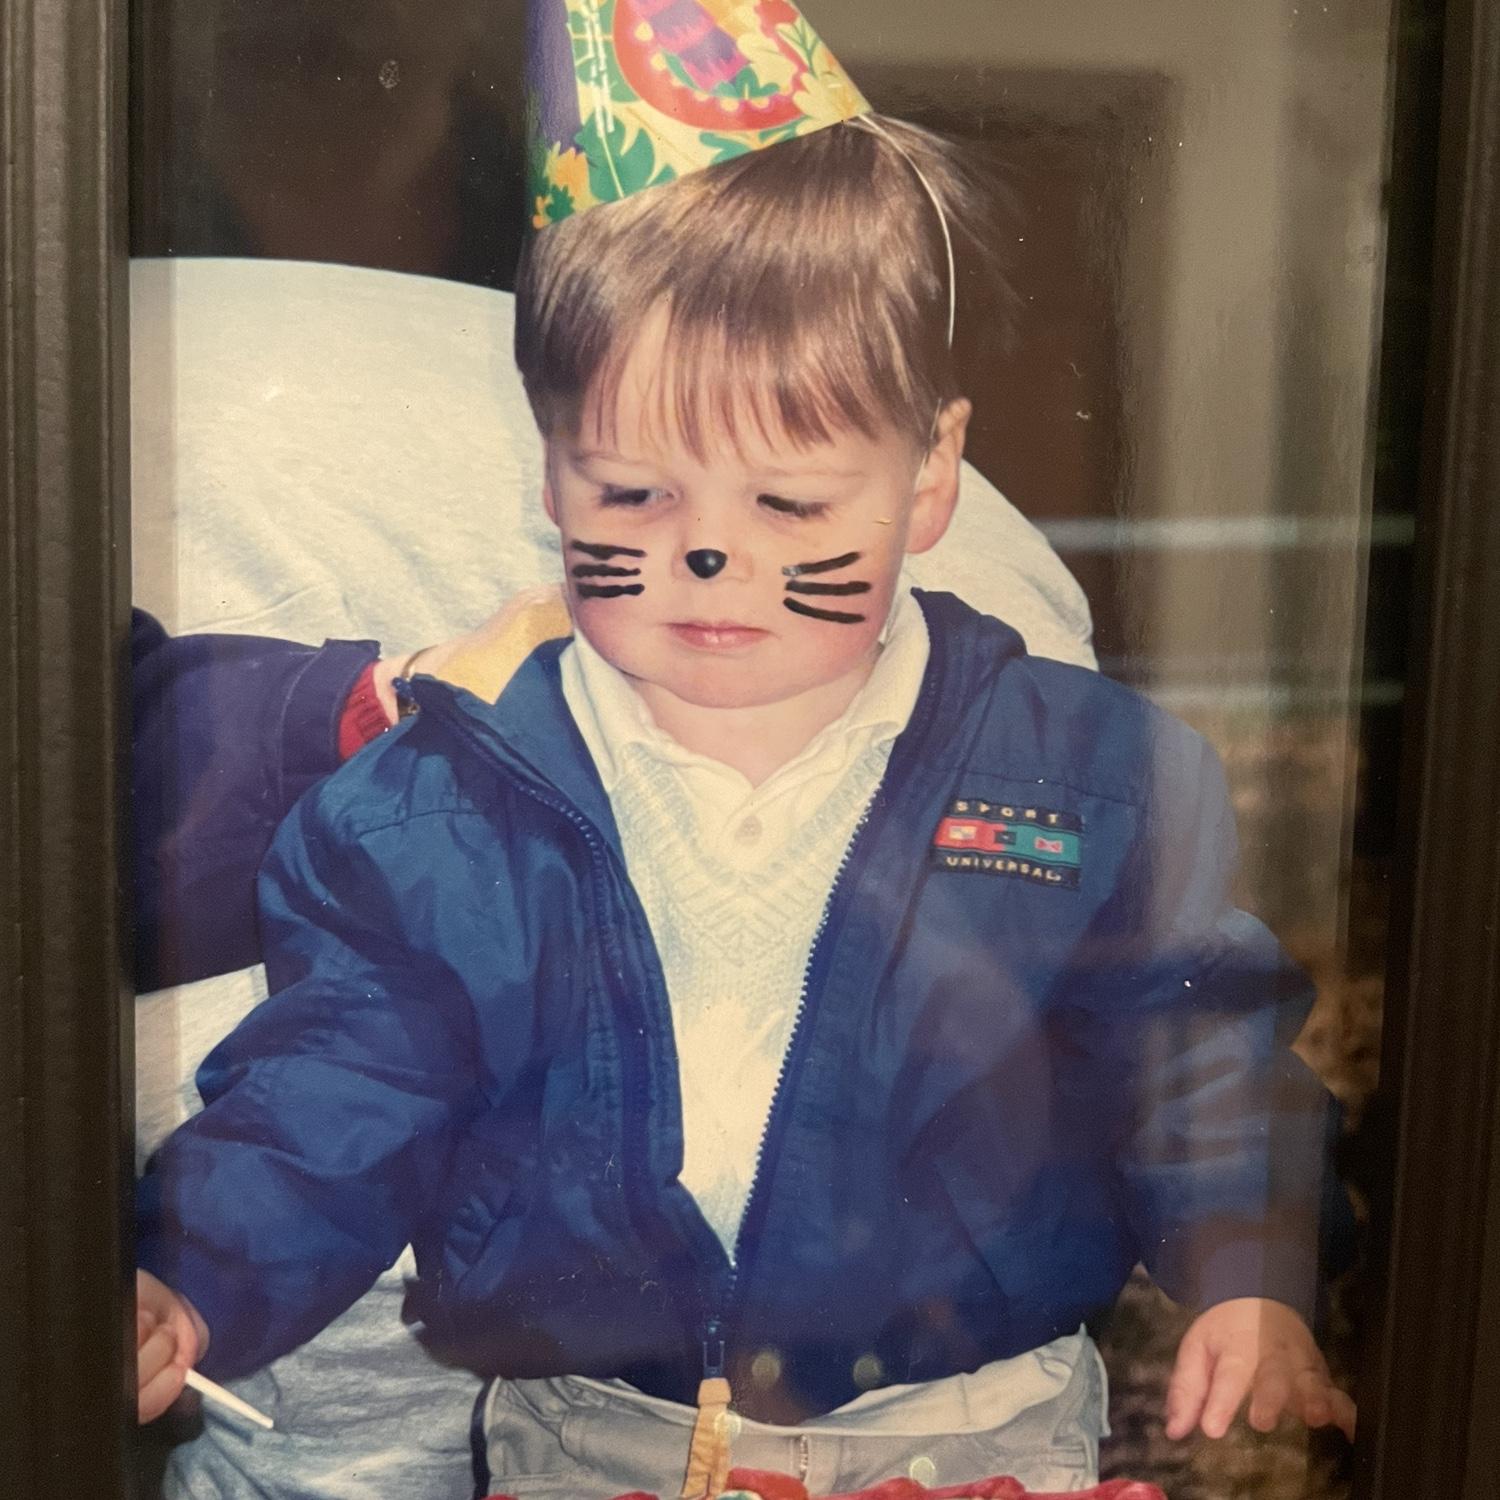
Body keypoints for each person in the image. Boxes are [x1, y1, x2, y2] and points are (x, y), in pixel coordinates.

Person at [135, 4, 1353, 1494]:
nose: (710, 556)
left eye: (789, 507)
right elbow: (333, 1093)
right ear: (550, 471)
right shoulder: (435, 811)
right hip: (591, 1439)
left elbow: (1198, 1052)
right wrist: (188, 1274)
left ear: (929, 477)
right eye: (635, 495)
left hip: (974, 1433)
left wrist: (1250, 1267)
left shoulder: (1075, 778)